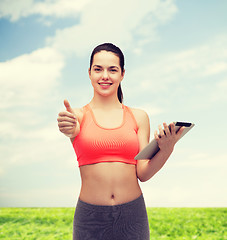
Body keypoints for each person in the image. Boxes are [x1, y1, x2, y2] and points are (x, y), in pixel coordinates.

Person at [57, 43, 184, 240]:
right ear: (89, 73)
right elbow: (70, 129)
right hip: (90, 217)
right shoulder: (78, 116)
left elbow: (143, 173)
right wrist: (70, 130)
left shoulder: (139, 117)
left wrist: (167, 148)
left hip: (132, 215)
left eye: (112, 70)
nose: (105, 76)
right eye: (98, 69)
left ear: (122, 74)